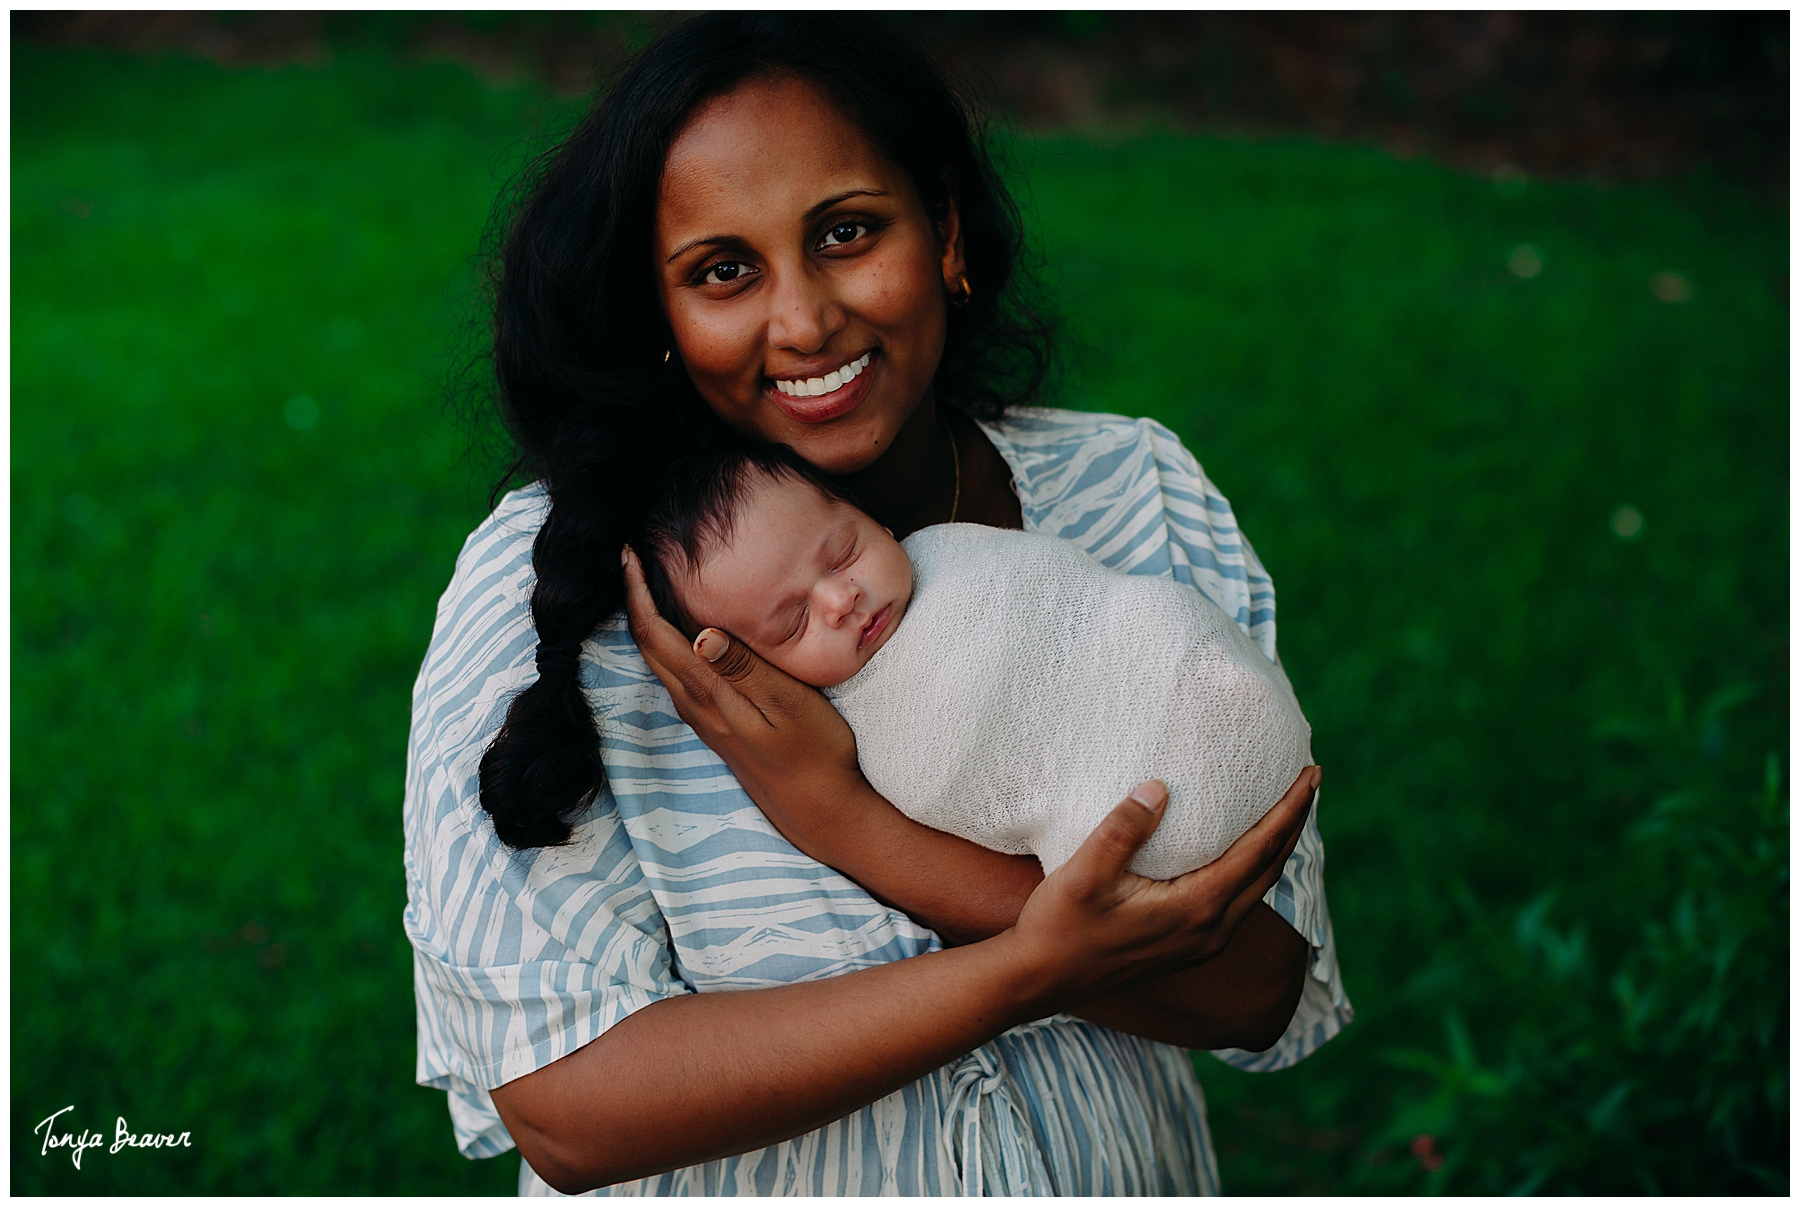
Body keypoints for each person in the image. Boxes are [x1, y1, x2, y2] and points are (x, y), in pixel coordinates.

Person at [404, 12, 1351, 1196]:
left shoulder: (1127, 489)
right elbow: (571, 1105)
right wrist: (1027, 966)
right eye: (723, 271)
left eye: (847, 233)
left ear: (946, 228)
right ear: (661, 318)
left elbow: (1253, 986)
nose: (803, 322)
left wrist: (855, 828)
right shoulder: (567, 587)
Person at [635, 439, 1314, 882]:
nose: (842, 599)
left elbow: (1069, 596)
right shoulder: (853, 734)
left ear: (866, 514)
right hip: (1129, 815)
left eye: (843, 553)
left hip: (1186, 666)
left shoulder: (957, 550)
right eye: (795, 621)